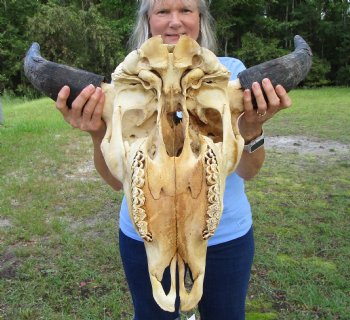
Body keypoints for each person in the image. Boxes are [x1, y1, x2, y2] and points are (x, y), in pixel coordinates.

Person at [55, 1, 292, 319]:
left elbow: (249, 170)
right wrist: (98, 133)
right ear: (148, 21)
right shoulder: (124, 83)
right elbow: (115, 181)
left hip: (225, 237)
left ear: (201, 19)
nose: (175, 22)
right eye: (163, 11)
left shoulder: (229, 73)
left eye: (186, 10)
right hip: (144, 235)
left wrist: (251, 128)